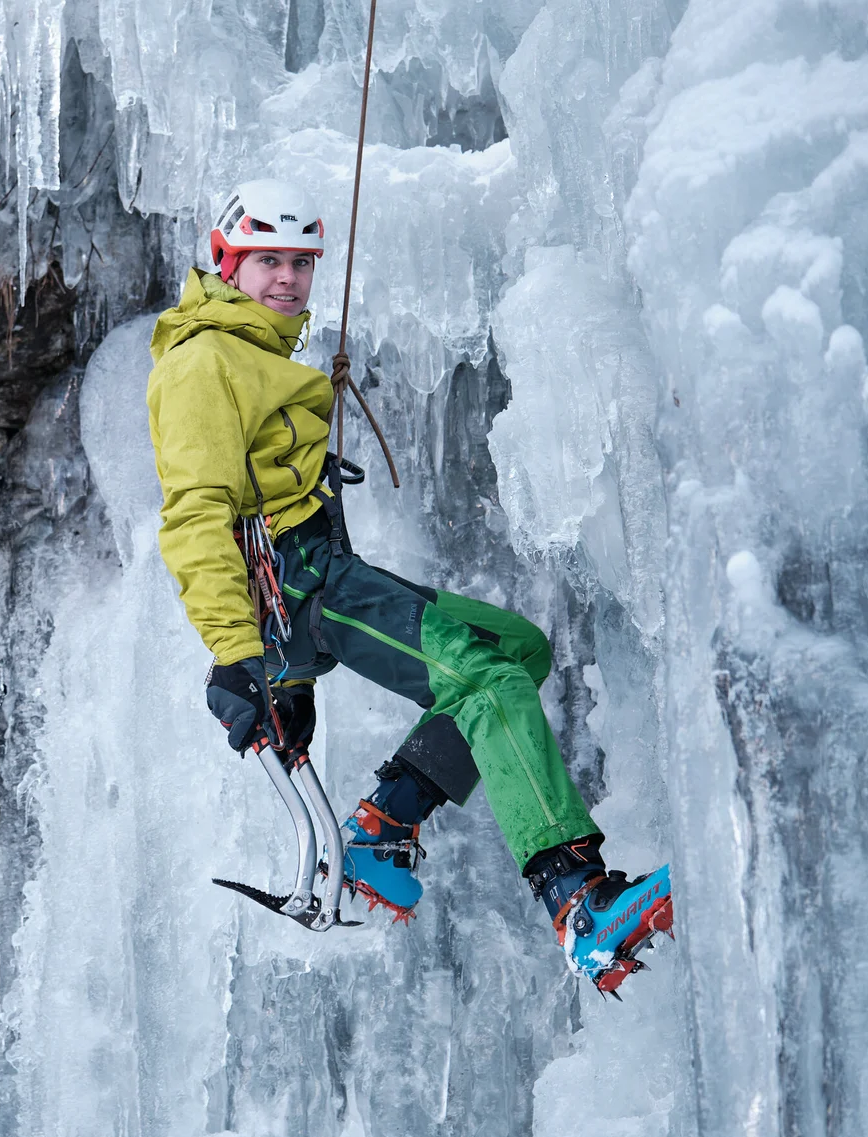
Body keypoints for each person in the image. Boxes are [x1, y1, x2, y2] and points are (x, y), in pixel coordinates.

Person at [144, 178, 672, 989]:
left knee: (515, 647)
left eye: (301, 263)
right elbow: (195, 515)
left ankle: (382, 828)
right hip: (303, 590)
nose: (287, 278)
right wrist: (239, 655)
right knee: (488, 682)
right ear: (226, 262)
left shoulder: (256, 351)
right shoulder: (203, 362)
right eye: (267, 260)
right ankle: (577, 901)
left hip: (327, 571)